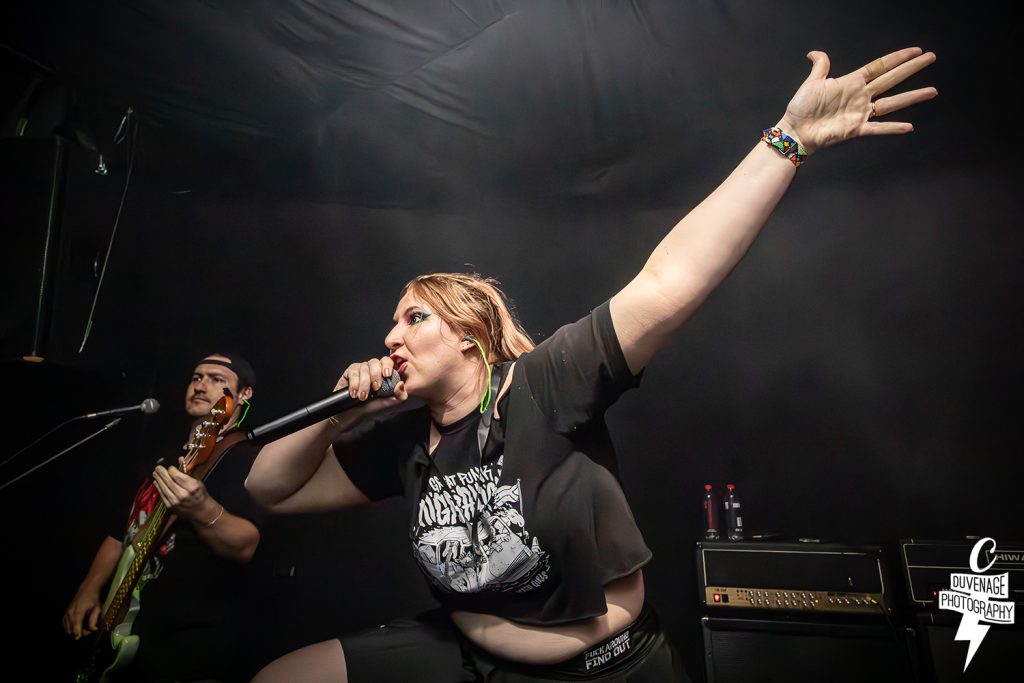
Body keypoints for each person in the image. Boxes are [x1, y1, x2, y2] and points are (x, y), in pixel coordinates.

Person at [244, 46, 938, 682]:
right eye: (391, 321)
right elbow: (269, 488)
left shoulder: (543, 383)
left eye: (414, 316)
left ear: (470, 337)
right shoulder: (402, 441)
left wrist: (789, 141)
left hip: (607, 666)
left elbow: (668, 282)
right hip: (477, 652)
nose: (391, 335)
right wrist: (343, 413)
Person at [63, 352, 266, 683]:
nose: (201, 386)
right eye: (196, 377)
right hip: (127, 625)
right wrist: (88, 589)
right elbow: (122, 531)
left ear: (244, 395)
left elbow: (246, 545)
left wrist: (202, 509)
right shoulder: (165, 458)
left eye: (218, 380)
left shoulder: (243, 459)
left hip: (185, 645)